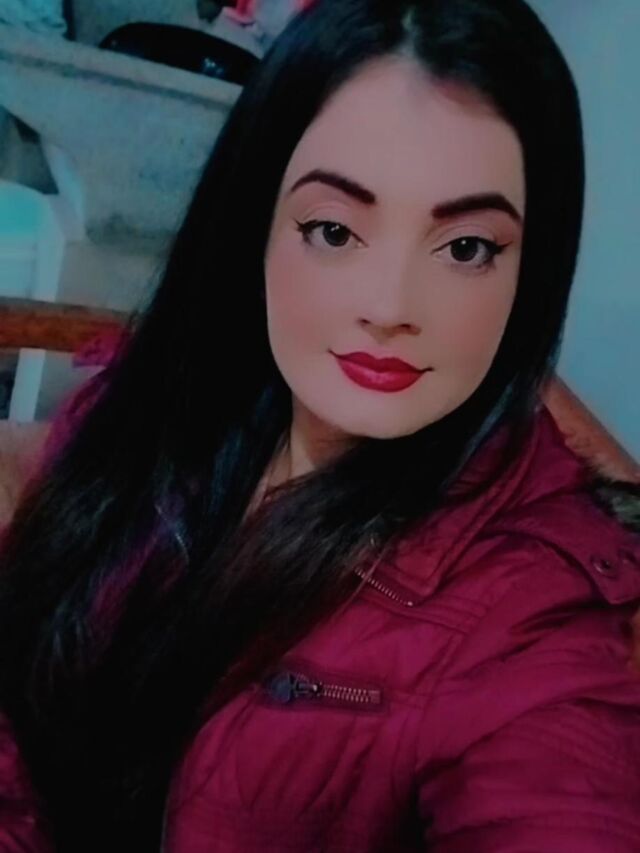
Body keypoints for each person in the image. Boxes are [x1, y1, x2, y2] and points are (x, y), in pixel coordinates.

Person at [1, 0, 639, 850]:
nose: (390, 306)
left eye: (467, 248)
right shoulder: (182, 400)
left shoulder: (525, 620)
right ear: (257, 222)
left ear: (532, 271)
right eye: (334, 230)